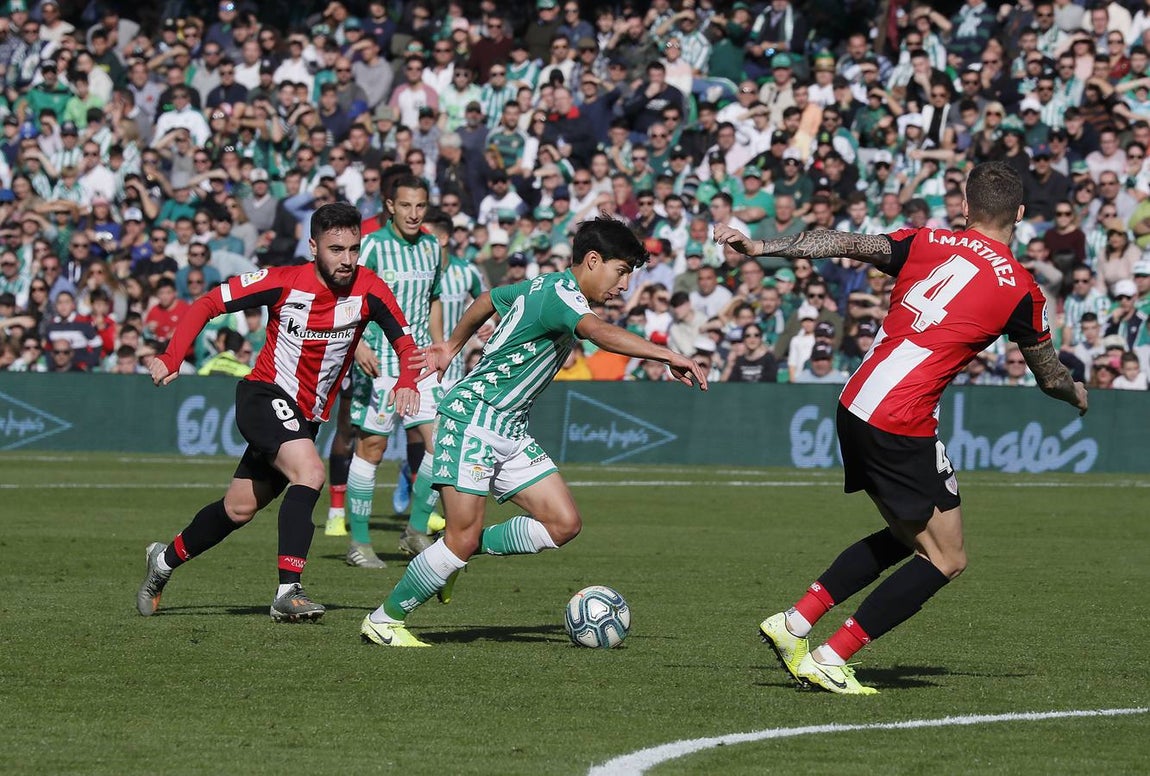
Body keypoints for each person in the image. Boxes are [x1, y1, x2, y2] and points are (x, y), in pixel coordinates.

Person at [714, 161, 1088, 694]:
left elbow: (838, 241)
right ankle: (831, 655)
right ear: (1021, 215)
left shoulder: (927, 239)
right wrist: (1077, 393)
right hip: (900, 419)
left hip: (855, 401)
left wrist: (760, 247)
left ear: (964, 207)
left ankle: (794, 623)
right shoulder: (1020, 290)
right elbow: (1049, 376)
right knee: (947, 557)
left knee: (904, 534)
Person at [360, 217, 708, 647]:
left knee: (563, 524)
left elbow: (488, 297)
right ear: (593, 260)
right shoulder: (562, 298)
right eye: (621, 273)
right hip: (473, 419)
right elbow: (598, 333)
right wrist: (668, 354)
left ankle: (448, 556)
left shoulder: (543, 285)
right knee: (462, 537)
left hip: (509, 427)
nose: (623, 286)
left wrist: (452, 345)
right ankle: (385, 619)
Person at [136, 203, 422, 622]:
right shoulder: (281, 282)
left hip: (305, 417)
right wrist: (173, 356)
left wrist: (406, 381)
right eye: (335, 248)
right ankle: (289, 590)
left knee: (237, 509)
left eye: (353, 249)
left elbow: (405, 342)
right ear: (313, 247)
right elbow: (206, 304)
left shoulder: (370, 289)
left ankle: (162, 562)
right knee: (311, 473)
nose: (346, 260)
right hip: (263, 395)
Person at [345, 175, 443, 568]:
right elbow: (347, 297)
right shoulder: (371, 246)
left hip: (418, 363)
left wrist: (441, 348)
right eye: (406, 206)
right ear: (390, 206)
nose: (414, 214)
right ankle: (359, 542)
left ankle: (416, 530)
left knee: (441, 444)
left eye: (420, 206)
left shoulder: (432, 246)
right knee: (373, 448)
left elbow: (433, 299)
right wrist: (357, 345)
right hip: (379, 363)